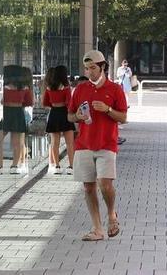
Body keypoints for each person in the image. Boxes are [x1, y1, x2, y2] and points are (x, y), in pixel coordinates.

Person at [67, 50, 128, 241]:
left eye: (93, 68)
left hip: (106, 144)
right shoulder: (80, 89)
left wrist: (108, 109)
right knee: (88, 187)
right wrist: (77, 116)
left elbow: (124, 118)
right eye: (86, 68)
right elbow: (69, 116)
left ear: (102, 67)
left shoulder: (115, 89)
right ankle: (97, 228)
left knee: (105, 183)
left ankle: (111, 214)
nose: (89, 72)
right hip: (83, 144)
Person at [0, 66, 33, 175]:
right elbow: (29, 102)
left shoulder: (6, 88)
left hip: (7, 113)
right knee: (17, 143)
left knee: (0, 141)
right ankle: (15, 166)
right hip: (18, 113)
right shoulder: (25, 88)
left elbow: (2, 101)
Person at [43, 65, 76, 175]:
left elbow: (45, 103)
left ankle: (56, 166)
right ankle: (71, 166)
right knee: (70, 143)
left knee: (54, 143)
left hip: (54, 113)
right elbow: (69, 102)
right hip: (65, 114)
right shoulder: (66, 87)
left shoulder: (49, 88)